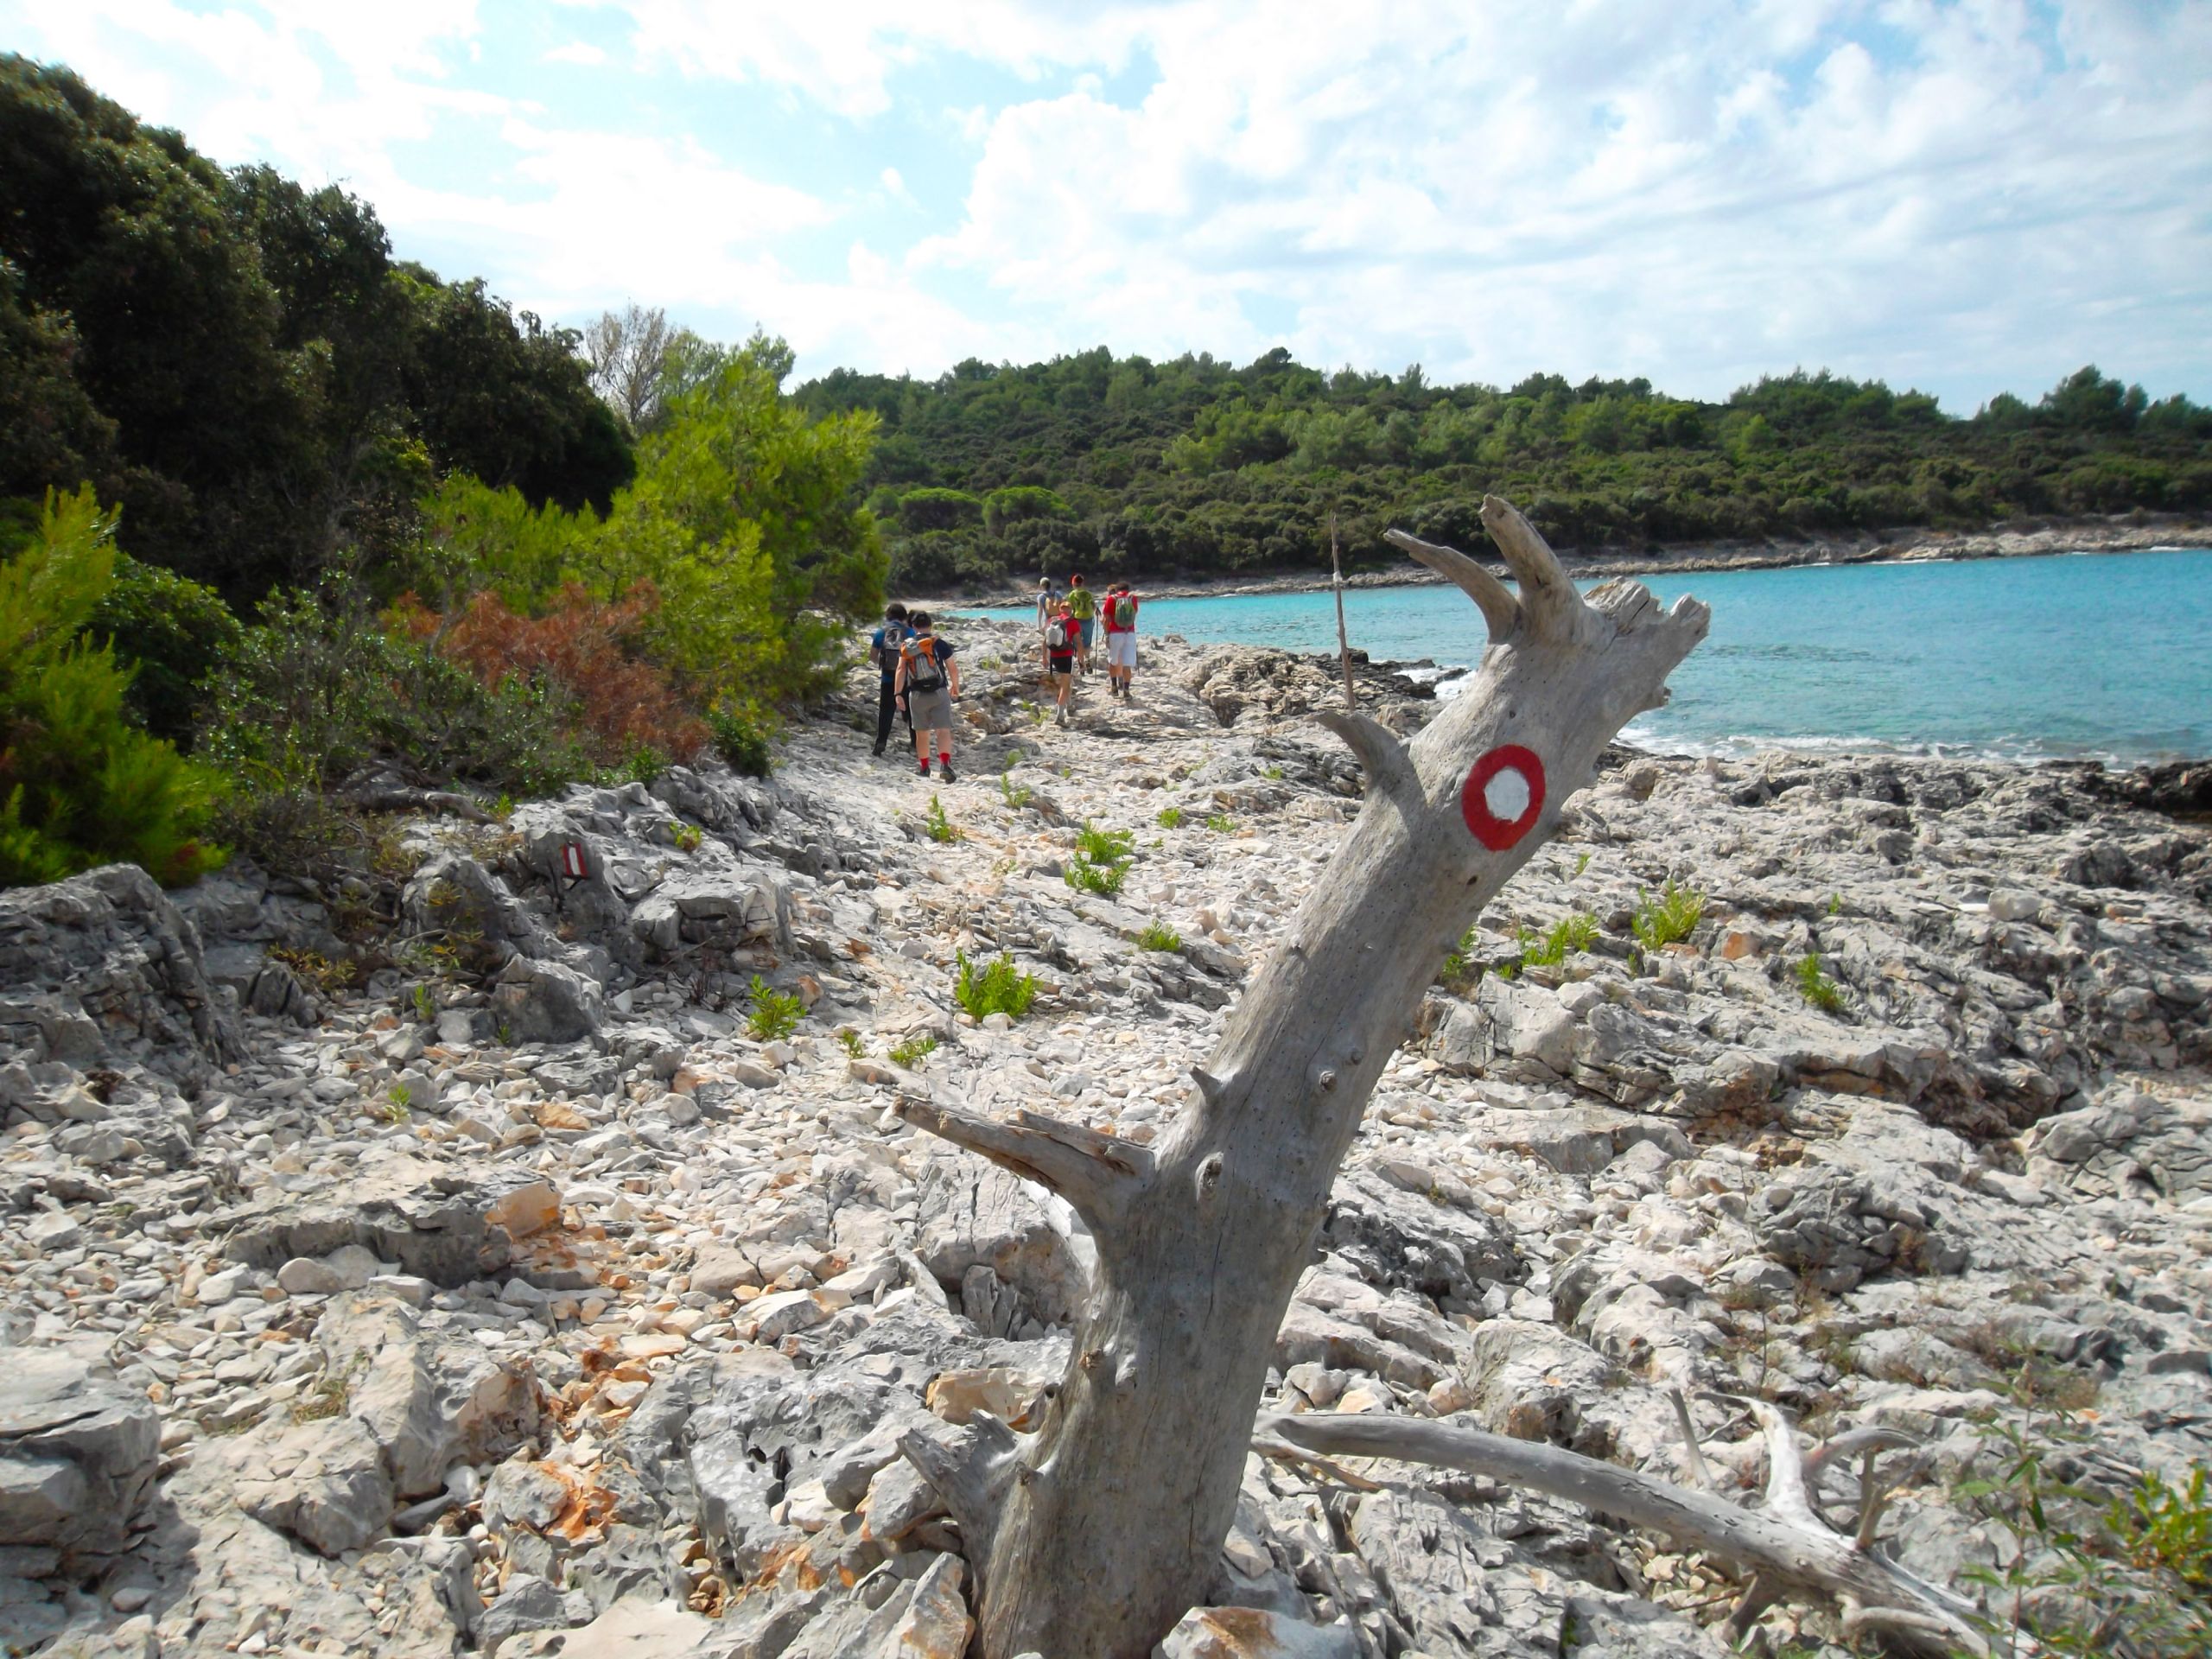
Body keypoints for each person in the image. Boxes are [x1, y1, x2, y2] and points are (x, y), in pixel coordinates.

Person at [895, 610, 961, 781]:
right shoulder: (938, 643)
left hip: (916, 694)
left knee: (922, 733)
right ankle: (945, 765)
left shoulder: (907, 646)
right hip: (939, 691)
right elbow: (952, 667)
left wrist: (898, 693)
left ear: (913, 627)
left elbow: (901, 670)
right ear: (930, 625)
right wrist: (955, 686)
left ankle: (924, 768)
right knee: (943, 731)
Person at [868, 602, 913, 757]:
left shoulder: (881, 632)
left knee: (886, 711)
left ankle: (881, 742)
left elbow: (872, 656)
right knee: (912, 711)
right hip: (908, 679)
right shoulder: (911, 633)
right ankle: (915, 743)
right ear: (904, 617)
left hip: (888, 678)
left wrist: (884, 665)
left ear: (888, 616)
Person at [1041, 599, 1079, 726]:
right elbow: (1078, 642)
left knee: (1065, 682)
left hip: (1054, 656)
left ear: (1060, 609)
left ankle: (1069, 705)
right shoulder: (1073, 622)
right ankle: (1060, 716)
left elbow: (1044, 641)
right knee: (1065, 685)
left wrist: (1044, 658)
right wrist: (1082, 660)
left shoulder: (1051, 620)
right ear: (1070, 610)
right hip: (1066, 655)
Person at [1102, 581, 1140, 699]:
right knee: (1127, 664)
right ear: (1128, 590)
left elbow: (1106, 619)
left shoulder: (1111, 599)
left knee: (1113, 661)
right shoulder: (1132, 598)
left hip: (1115, 633)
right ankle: (1127, 690)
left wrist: (1106, 635)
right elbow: (1134, 614)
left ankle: (1114, 688)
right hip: (1129, 633)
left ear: (1116, 589)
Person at [1065, 573, 1097, 674]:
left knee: (1078, 643)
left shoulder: (1071, 595)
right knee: (1087, 643)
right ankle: (1087, 659)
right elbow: (1094, 607)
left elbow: (1068, 609)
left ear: (1073, 584)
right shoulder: (1089, 594)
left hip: (1076, 621)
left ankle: (1081, 664)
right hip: (1088, 620)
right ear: (1082, 583)